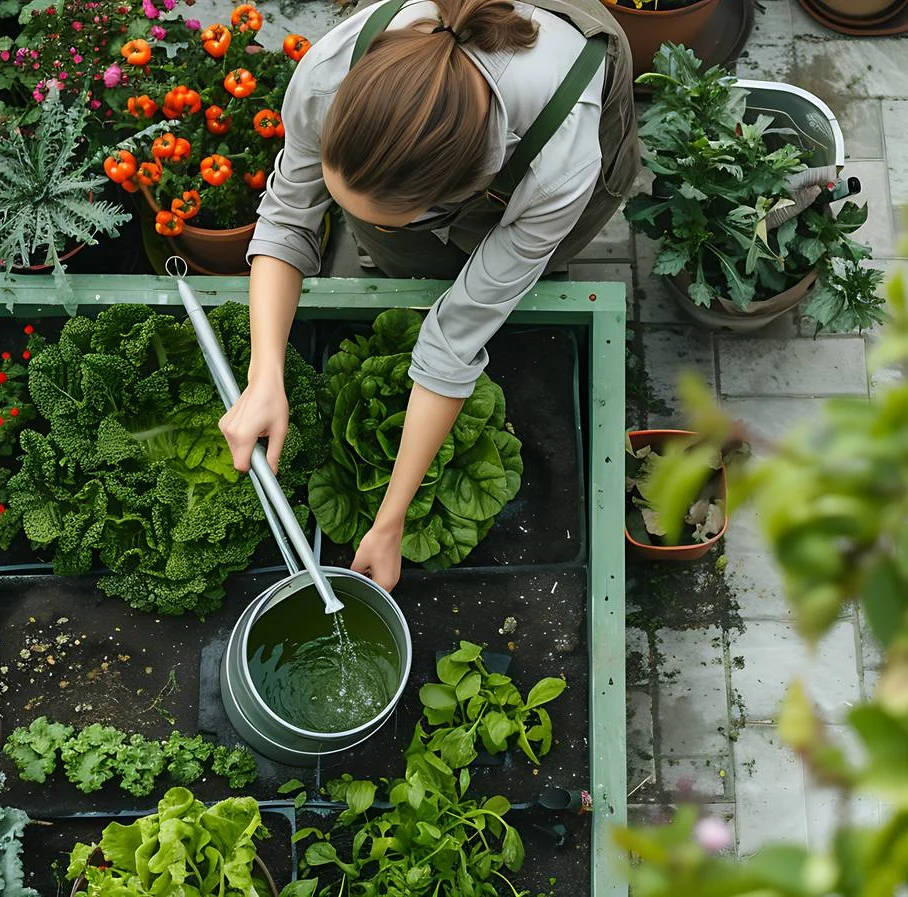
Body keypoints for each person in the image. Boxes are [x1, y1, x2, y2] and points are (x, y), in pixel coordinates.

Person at [218, 0, 641, 591]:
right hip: (436, 168)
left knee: (514, 272)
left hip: (563, 106)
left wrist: (391, 522)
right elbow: (288, 216)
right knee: (401, 252)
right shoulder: (327, 73)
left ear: (460, 192)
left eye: (393, 218)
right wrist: (265, 378)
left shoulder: (558, 164)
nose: (365, 224)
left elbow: (454, 339)